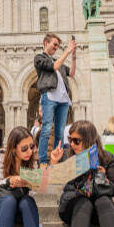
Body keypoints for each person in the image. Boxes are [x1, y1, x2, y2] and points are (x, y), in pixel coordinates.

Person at [34, 33, 77, 166]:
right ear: (46, 43)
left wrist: (73, 55)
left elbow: (72, 73)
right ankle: (42, 160)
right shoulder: (40, 58)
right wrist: (67, 51)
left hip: (63, 100)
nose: (56, 48)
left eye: (58, 45)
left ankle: (57, 160)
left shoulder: (60, 63)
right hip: (50, 96)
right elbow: (53, 67)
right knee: (46, 128)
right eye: (55, 44)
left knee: (60, 132)